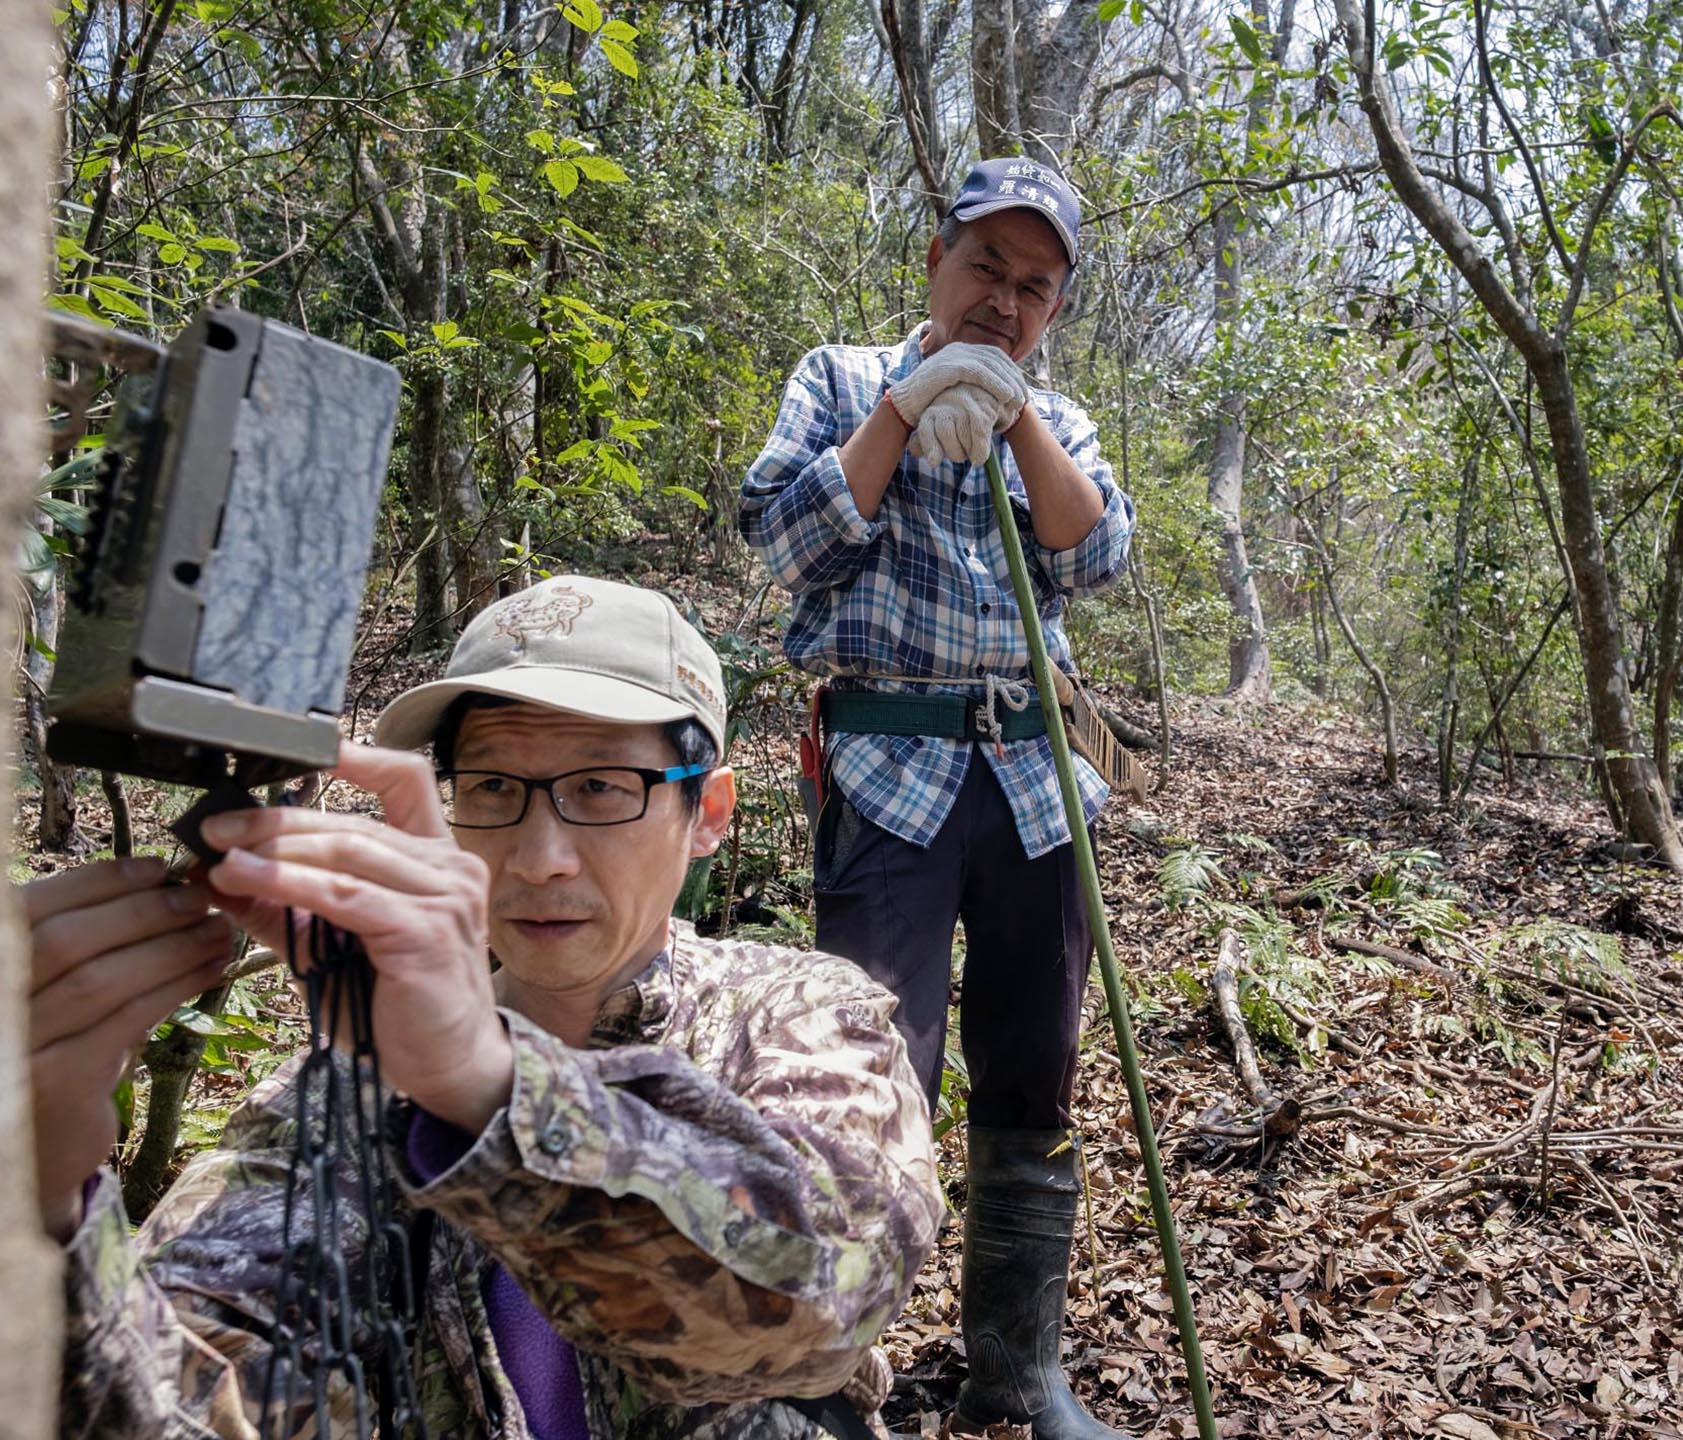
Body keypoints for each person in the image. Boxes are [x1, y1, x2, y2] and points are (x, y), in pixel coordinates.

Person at [31, 575, 942, 1439]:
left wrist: (485, 1084)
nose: (541, 857)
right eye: (496, 789)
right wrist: (49, 1206)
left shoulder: (793, 1016)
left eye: (600, 788)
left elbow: (828, 1293)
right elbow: (194, 1393)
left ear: (706, 811)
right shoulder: (344, 1094)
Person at [739, 157, 1136, 1440]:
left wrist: (1013, 416)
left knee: (1036, 1072)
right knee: (862, 1074)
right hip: (886, 772)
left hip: (1034, 781)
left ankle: (1017, 1376)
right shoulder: (842, 380)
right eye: (986, 270)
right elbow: (788, 544)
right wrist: (908, 409)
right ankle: (828, 1380)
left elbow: (1099, 553)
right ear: (934, 258)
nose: (1003, 304)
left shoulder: (1056, 417)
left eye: (1034, 289)